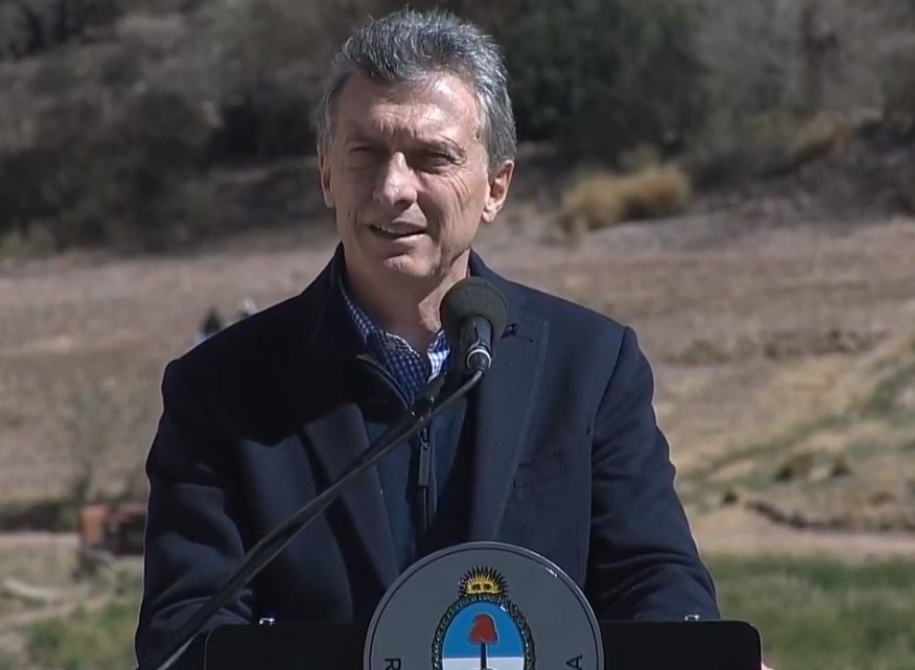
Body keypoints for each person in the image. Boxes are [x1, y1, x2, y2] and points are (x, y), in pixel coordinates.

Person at [136, 8, 768, 669]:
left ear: (495, 187)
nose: (393, 188)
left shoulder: (590, 367)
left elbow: (656, 587)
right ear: (326, 173)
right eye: (365, 154)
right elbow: (185, 638)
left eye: (432, 157)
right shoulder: (221, 390)